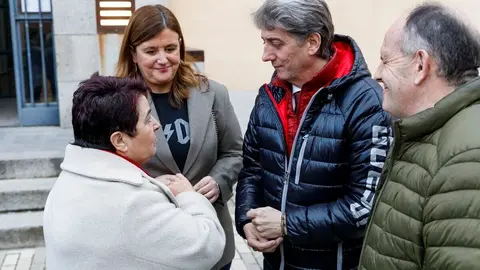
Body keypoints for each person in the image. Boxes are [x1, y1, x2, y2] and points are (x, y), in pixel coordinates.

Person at [235, 0, 393, 269]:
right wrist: (247, 220)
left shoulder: (366, 101)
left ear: (312, 42)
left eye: (276, 43)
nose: (265, 55)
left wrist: (286, 224)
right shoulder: (268, 97)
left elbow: (366, 206)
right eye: (264, 41)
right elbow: (252, 170)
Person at [43, 74, 226, 270]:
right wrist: (187, 196)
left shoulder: (67, 182)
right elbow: (208, 245)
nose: (156, 124)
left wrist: (152, 186)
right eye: (147, 118)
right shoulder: (134, 203)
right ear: (120, 140)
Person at [116, 5, 243, 270]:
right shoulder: (117, 102)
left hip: (211, 240)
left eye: (170, 49)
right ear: (134, 54)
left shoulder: (213, 93)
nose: (163, 59)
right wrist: (152, 186)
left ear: (180, 47)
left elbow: (235, 152)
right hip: (151, 244)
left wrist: (218, 182)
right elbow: (107, 168)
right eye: (151, 51)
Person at [358, 3, 480, 270]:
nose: (377, 73)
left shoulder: (466, 159)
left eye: (385, 59)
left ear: (420, 65)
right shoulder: (424, 131)